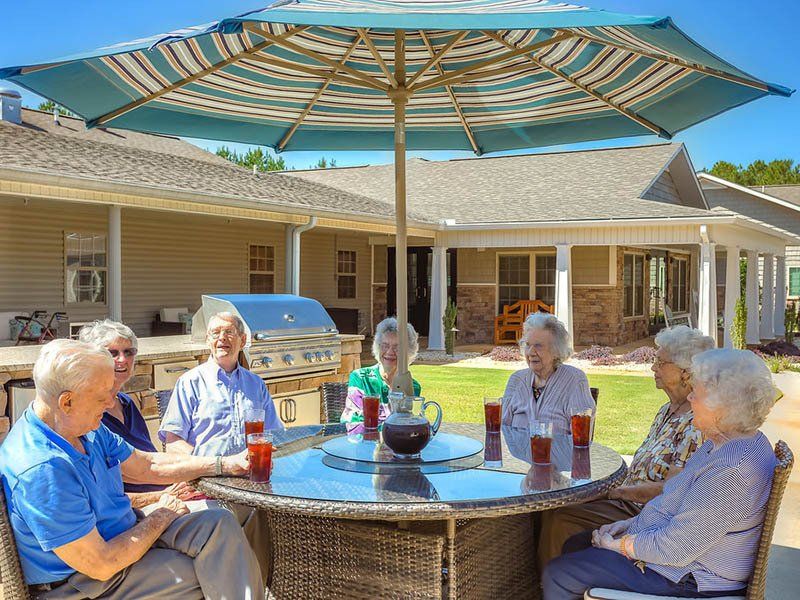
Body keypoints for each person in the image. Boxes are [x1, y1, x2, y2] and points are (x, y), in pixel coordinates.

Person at [0, 339, 263, 599]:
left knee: (220, 522)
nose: (111, 402)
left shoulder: (82, 428)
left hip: (125, 533)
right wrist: (160, 516)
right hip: (82, 583)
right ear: (67, 401)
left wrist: (224, 464)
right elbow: (101, 564)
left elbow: (148, 465)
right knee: (223, 567)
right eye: (103, 397)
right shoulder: (43, 468)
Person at [542, 348, 779, 599]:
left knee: (560, 573)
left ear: (722, 406)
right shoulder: (723, 442)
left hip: (688, 577)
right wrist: (627, 526)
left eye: (696, 393)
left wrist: (619, 545)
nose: (690, 398)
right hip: (677, 559)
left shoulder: (732, 470)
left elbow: (677, 548)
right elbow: (672, 504)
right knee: (576, 543)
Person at [537, 326, 713, 570]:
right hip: (629, 500)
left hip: (646, 512)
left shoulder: (695, 423)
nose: (653, 368)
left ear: (686, 372)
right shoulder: (667, 410)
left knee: (561, 517)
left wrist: (616, 492)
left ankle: (554, 586)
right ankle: (546, 581)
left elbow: (672, 491)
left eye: (660, 362)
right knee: (551, 506)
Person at [158, 311, 280, 581]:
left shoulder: (256, 385)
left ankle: (258, 586)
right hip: (207, 487)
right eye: (215, 333)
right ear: (208, 340)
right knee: (244, 524)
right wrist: (203, 471)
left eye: (229, 333)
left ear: (242, 339)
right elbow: (173, 444)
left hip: (251, 486)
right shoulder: (190, 383)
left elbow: (274, 438)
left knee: (278, 520)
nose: (222, 339)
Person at [78, 319, 196, 506]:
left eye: (128, 352)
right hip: (134, 511)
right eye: (113, 353)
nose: (122, 360)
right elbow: (105, 494)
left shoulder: (126, 403)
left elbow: (149, 458)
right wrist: (164, 495)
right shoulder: (87, 418)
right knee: (220, 517)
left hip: (166, 493)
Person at [502, 312, 594, 434]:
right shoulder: (517, 380)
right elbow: (501, 429)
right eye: (528, 345)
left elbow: (581, 436)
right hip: (519, 453)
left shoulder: (574, 380)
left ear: (556, 351)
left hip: (559, 453)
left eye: (538, 346)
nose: (530, 352)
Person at [340, 316, 421, 431]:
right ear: (378, 347)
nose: (389, 352)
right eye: (385, 345)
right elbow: (353, 421)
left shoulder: (412, 386)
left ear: (408, 352)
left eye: (397, 348)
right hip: (362, 443)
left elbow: (410, 424)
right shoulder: (361, 378)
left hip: (397, 446)